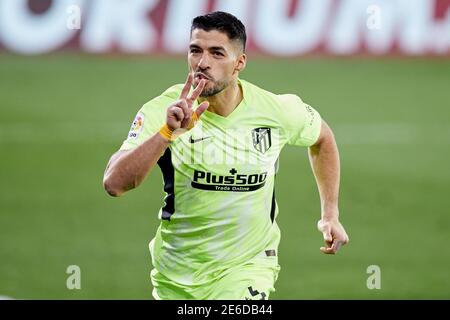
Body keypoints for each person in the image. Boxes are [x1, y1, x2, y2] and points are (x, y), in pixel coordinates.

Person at [103, 11, 349, 300]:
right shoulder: (164, 110)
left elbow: (322, 138)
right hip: (177, 275)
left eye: (217, 53)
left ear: (239, 63)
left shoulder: (275, 110)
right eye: (195, 50)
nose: (202, 63)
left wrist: (329, 214)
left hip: (249, 267)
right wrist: (167, 133)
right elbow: (114, 183)